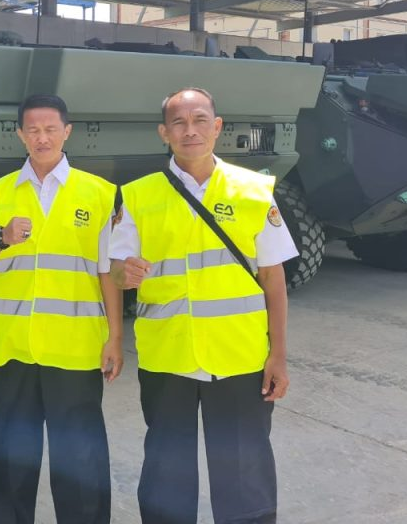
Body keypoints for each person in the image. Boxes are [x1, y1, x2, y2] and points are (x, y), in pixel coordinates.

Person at [111, 87, 295, 524]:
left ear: (217, 128)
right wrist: (124, 273)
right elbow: (116, 270)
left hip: (239, 356)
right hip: (168, 355)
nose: (189, 130)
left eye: (199, 121)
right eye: (178, 122)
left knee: (244, 470)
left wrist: (279, 355)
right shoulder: (137, 195)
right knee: (166, 469)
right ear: (164, 132)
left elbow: (273, 279)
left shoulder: (253, 191)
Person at [0, 93, 122, 524]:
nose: (42, 138)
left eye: (51, 129)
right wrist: (0, 237)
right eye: (33, 130)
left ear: (66, 132)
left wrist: (115, 337)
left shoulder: (99, 194)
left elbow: (107, 273)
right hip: (16, 345)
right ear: (20, 134)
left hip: (75, 347)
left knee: (80, 454)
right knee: (12, 452)